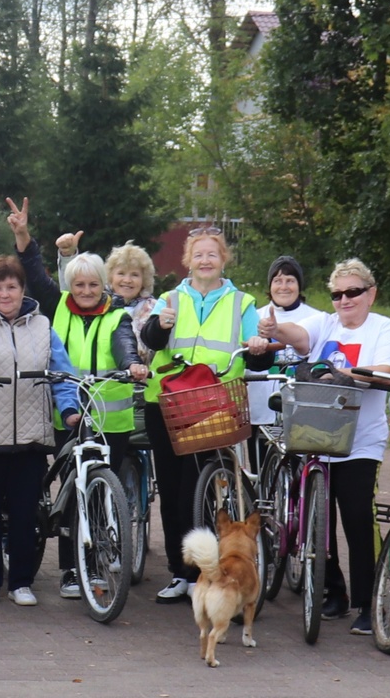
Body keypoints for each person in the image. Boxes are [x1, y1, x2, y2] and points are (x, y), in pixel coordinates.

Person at [135, 227, 279, 602]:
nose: (205, 260)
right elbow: (151, 342)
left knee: (195, 493)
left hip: (213, 403)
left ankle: (205, 569)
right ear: (188, 260)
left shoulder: (241, 302)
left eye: (212, 254)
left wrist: (260, 343)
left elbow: (257, 352)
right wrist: (157, 325)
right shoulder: (170, 298)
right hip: (166, 402)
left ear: (223, 259)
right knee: (169, 492)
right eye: (198, 254)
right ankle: (180, 573)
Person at [264, 258, 390, 635]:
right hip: (318, 438)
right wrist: (276, 327)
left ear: (370, 294)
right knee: (318, 519)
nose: (344, 300)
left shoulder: (382, 328)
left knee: (357, 517)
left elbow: (388, 372)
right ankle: (334, 591)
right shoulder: (325, 323)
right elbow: (298, 335)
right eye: (337, 294)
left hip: (361, 441)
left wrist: (345, 375)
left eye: (352, 293)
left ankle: (366, 601)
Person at [0, 255, 85, 605]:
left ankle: (21, 582)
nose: (4, 293)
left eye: (11, 286)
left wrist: (70, 410)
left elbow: (61, 375)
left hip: (30, 437)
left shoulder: (43, 327)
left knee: (24, 512)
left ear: (22, 289)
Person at [48, 250, 147, 601]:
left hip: (110, 419)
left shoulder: (116, 314)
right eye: (79, 285)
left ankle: (99, 556)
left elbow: (124, 345)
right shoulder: (58, 307)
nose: (86, 291)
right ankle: (72, 569)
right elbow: (31, 271)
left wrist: (132, 365)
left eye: (93, 284)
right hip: (69, 413)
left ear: (102, 284)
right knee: (72, 494)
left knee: (105, 491)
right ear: (70, 286)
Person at [249, 255, 329, 428]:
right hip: (261, 409)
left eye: (290, 280)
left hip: (303, 410)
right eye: (278, 280)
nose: (284, 287)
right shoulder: (254, 316)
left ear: (299, 286)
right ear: (269, 286)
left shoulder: (317, 318)